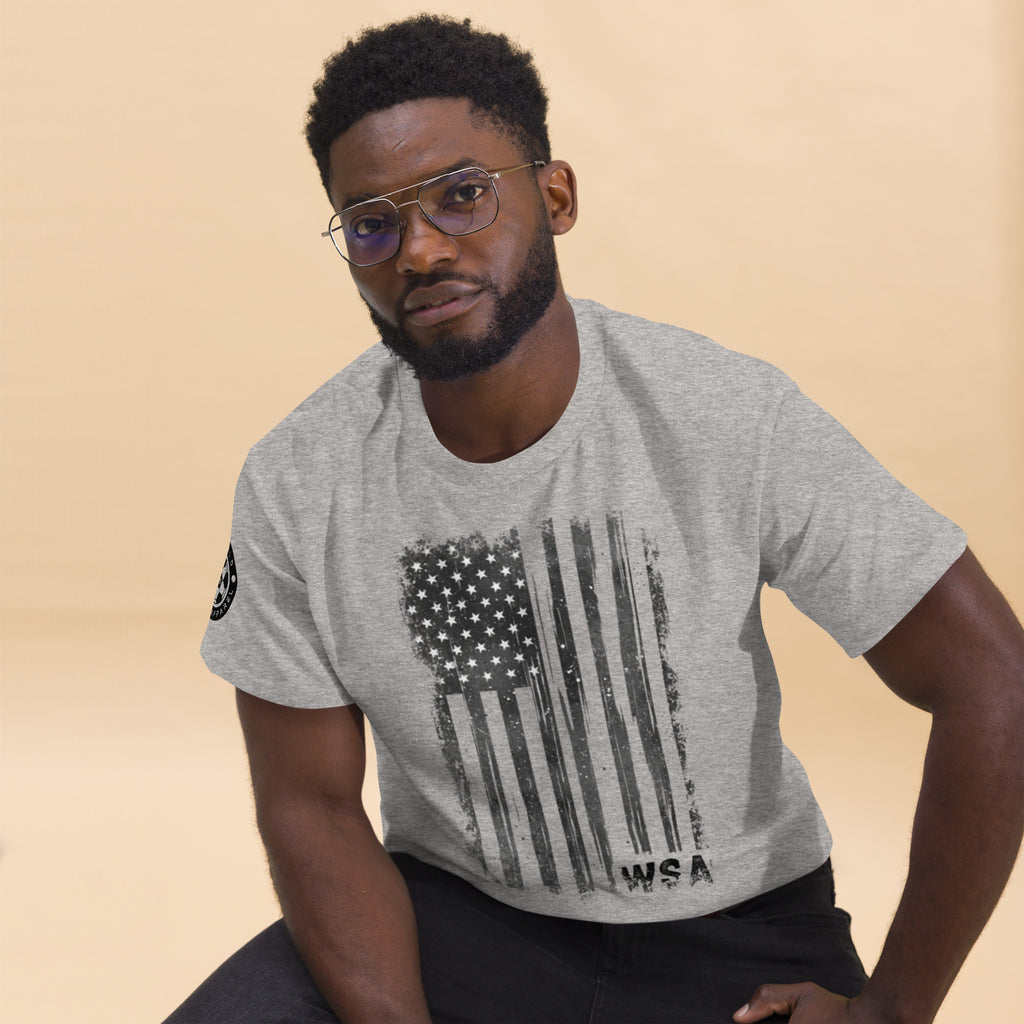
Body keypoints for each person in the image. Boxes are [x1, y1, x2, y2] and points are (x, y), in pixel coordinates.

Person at [165, 14, 1024, 1024]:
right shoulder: (298, 478)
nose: (421, 250)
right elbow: (307, 800)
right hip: (457, 924)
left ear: (555, 195)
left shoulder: (720, 413)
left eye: (462, 195)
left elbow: (992, 679)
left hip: (735, 939)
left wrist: (892, 1010)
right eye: (371, 224)